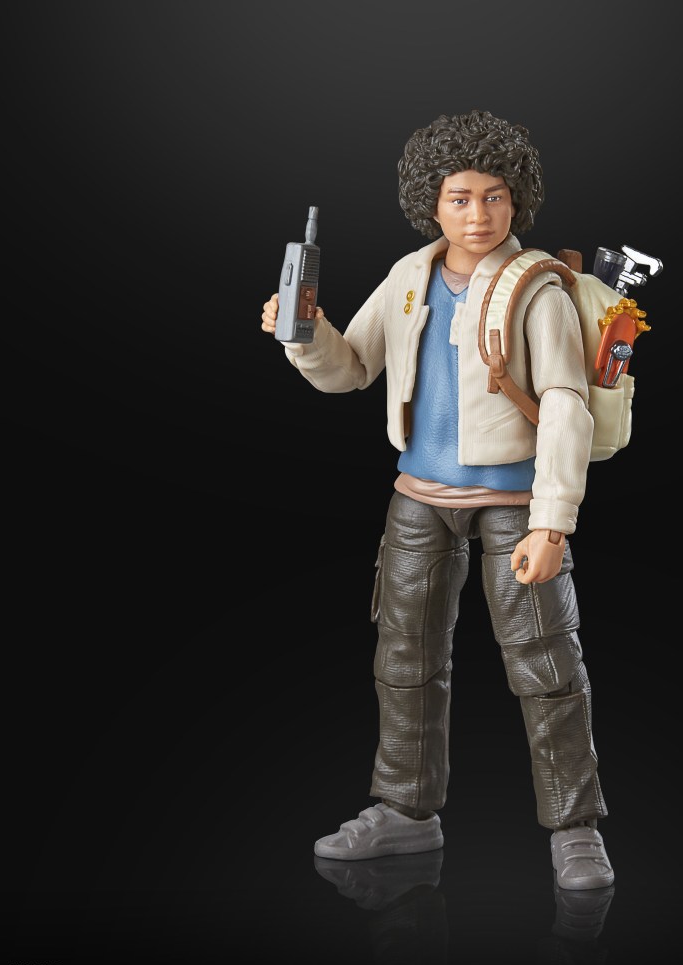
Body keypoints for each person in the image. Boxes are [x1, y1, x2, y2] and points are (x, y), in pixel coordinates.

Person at [260, 110, 613, 890]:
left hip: (515, 502)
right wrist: (304, 333)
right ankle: (405, 812)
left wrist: (553, 522)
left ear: (517, 200)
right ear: (432, 202)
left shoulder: (537, 289)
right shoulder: (409, 278)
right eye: (459, 198)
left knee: (546, 663)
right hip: (418, 496)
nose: (477, 214)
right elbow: (353, 368)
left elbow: (566, 403)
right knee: (404, 660)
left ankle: (576, 828)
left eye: (493, 196)